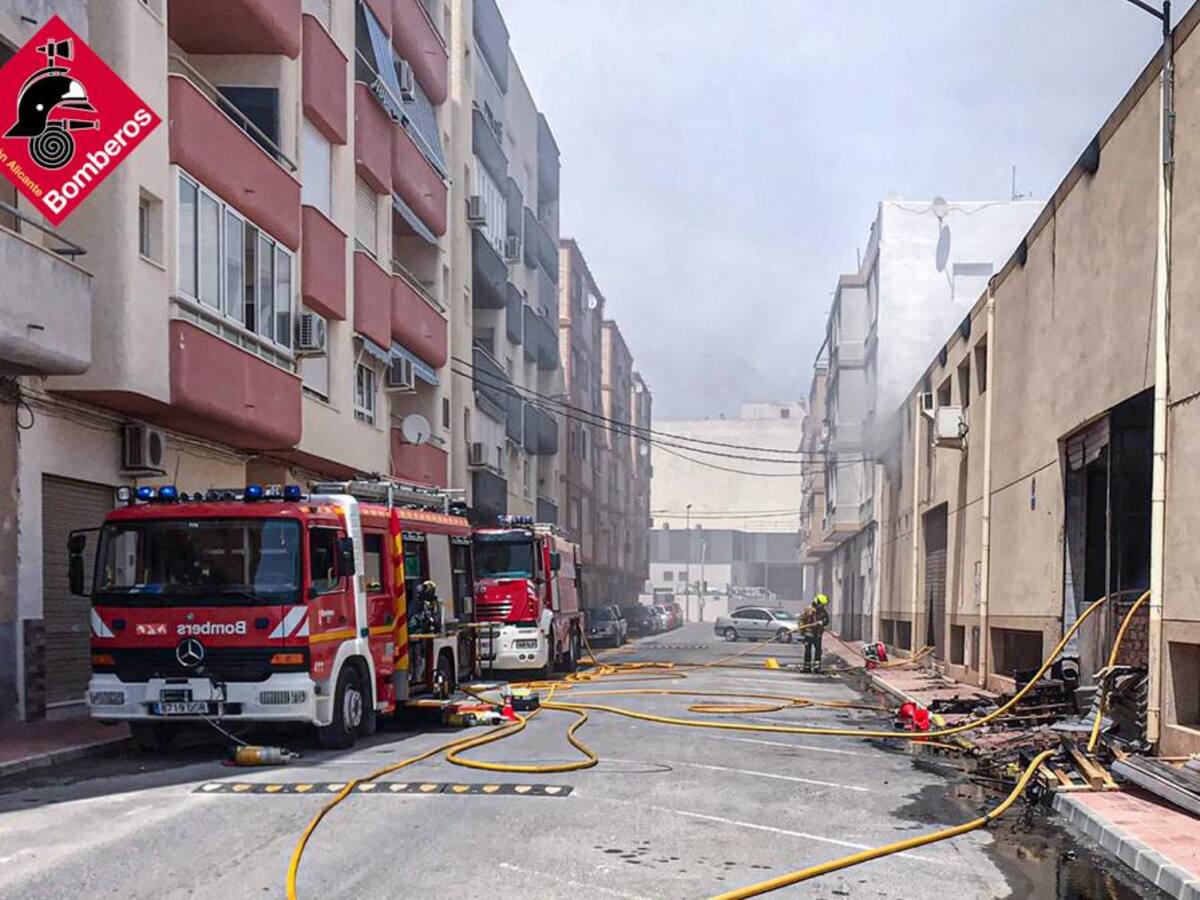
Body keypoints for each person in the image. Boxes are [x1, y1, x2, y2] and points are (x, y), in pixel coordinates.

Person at [800, 593, 830, 673]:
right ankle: (807, 667)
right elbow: (801, 620)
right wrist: (802, 630)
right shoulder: (808, 610)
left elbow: (827, 620)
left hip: (818, 634)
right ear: (817, 603)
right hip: (809, 634)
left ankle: (817, 668)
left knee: (818, 651)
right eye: (821, 605)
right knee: (807, 651)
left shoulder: (823, 612)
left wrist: (821, 622)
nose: (822, 607)